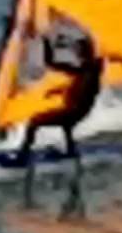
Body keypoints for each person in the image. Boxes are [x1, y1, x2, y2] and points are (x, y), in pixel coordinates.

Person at [14, 26, 103, 167]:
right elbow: (51, 63)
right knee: (65, 124)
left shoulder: (88, 69)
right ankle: (70, 148)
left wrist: (46, 42)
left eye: (81, 51)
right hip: (76, 110)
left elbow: (56, 64)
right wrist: (46, 42)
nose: (78, 54)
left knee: (34, 123)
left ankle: (23, 156)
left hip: (75, 111)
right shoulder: (86, 68)